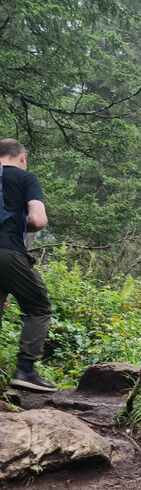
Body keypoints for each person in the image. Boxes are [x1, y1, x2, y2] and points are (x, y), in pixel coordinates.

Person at [0, 138, 56, 392]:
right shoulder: (26, 178)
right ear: (21, 157)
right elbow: (38, 219)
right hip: (8, 251)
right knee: (39, 307)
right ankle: (25, 371)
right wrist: (24, 225)